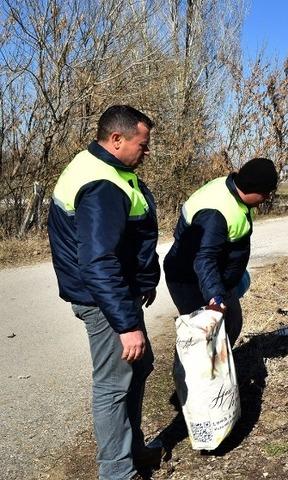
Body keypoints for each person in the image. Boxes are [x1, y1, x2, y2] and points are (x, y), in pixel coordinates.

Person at [48, 105, 161, 479]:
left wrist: (144, 280)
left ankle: (132, 449)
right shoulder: (102, 185)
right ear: (116, 139)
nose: (146, 152)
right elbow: (98, 261)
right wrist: (126, 323)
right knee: (114, 383)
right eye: (142, 145)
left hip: (117, 294)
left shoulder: (107, 168)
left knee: (140, 365)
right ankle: (117, 472)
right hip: (103, 300)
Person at [163, 158, 278, 345]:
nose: (266, 198)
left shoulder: (233, 191)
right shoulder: (215, 213)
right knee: (200, 337)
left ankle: (222, 371)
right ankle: (192, 373)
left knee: (231, 323)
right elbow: (204, 258)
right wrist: (214, 297)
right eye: (266, 193)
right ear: (252, 188)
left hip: (215, 277)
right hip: (190, 280)